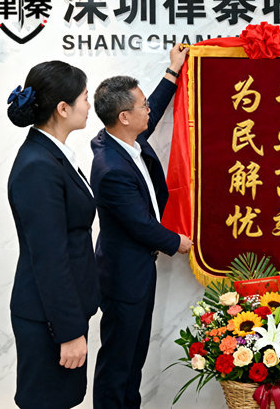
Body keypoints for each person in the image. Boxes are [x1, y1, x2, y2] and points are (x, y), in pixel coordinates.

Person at [91, 44, 193, 409]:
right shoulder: (111, 168)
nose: (149, 109)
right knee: (118, 361)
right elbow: (139, 223)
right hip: (123, 275)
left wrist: (173, 71)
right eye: (142, 106)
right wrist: (178, 242)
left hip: (137, 270)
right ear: (124, 116)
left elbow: (157, 107)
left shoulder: (127, 142)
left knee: (133, 358)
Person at [6, 61, 99, 409]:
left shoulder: (52, 155)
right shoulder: (38, 165)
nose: (88, 105)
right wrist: (69, 332)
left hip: (61, 312)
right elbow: (49, 258)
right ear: (63, 108)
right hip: (49, 318)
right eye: (85, 97)